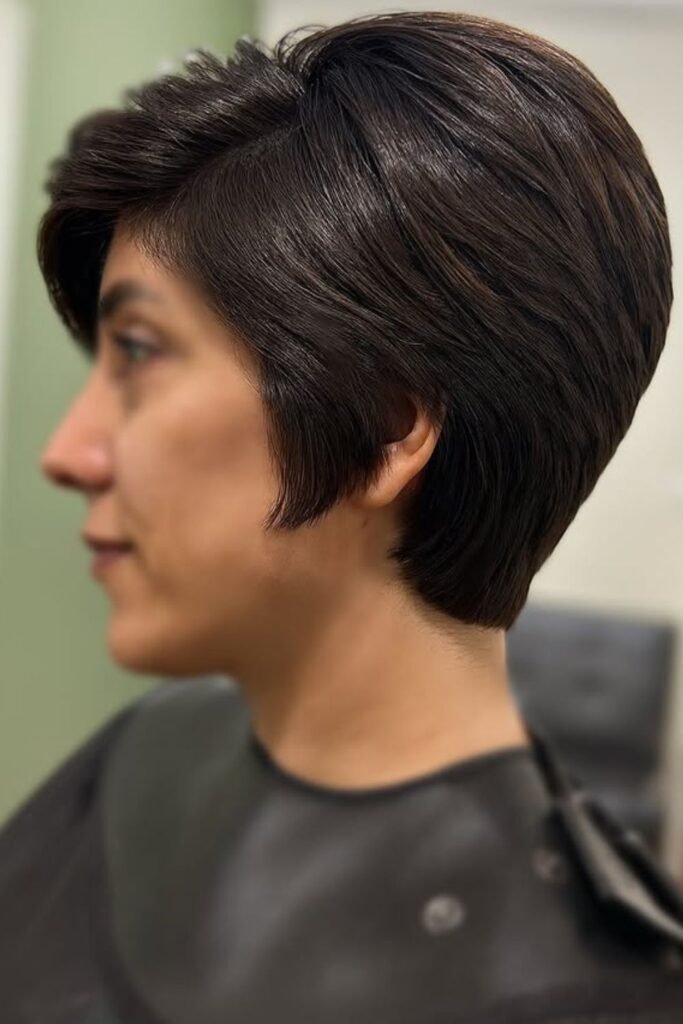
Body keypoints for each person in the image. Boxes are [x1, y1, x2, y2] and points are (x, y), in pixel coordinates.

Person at [1, 10, 682, 1022]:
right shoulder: (143, 767)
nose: (70, 453)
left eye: (140, 358)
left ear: (380, 432)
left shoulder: (588, 987)